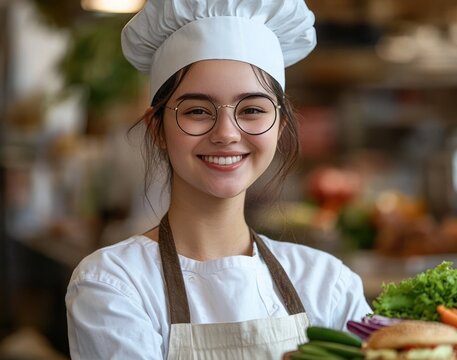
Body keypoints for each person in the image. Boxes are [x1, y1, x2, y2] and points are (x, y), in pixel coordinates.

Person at [65, 0, 372, 359]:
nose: (226, 133)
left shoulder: (328, 284)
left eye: (252, 110)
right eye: (197, 111)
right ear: (157, 129)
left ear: (280, 127)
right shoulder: (113, 284)